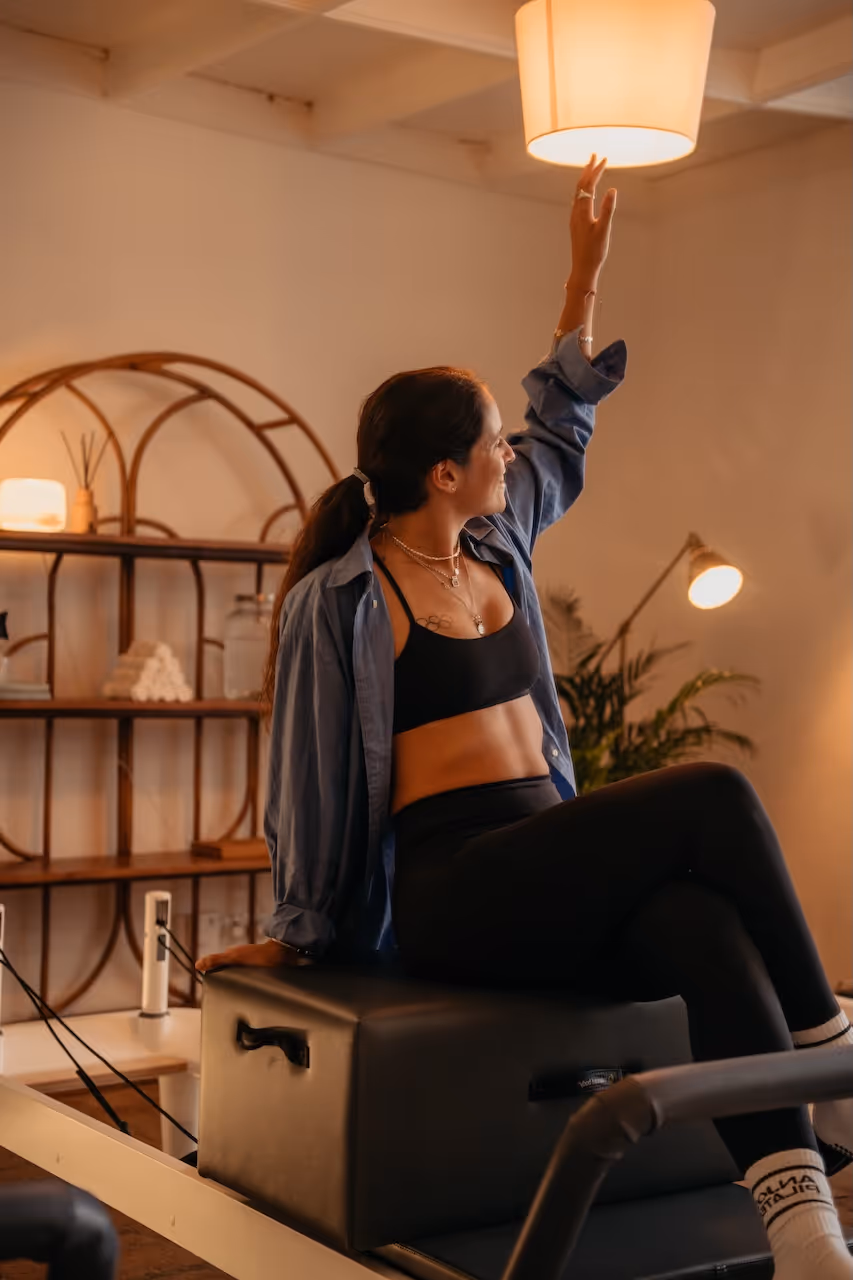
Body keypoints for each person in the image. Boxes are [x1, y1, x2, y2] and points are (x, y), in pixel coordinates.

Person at [197, 156, 853, 1278]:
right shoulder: (342, 602)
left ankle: (805, 1232)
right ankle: (830, 1037)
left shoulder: (497, 538)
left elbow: (560, 423)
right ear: (446, 470)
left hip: (545, 860)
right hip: (456, 889)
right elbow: (302, 773)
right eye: (490, 442)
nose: (512, 453)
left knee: (701, 925)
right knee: (715, 792)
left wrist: (581, 278)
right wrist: (304, 932)